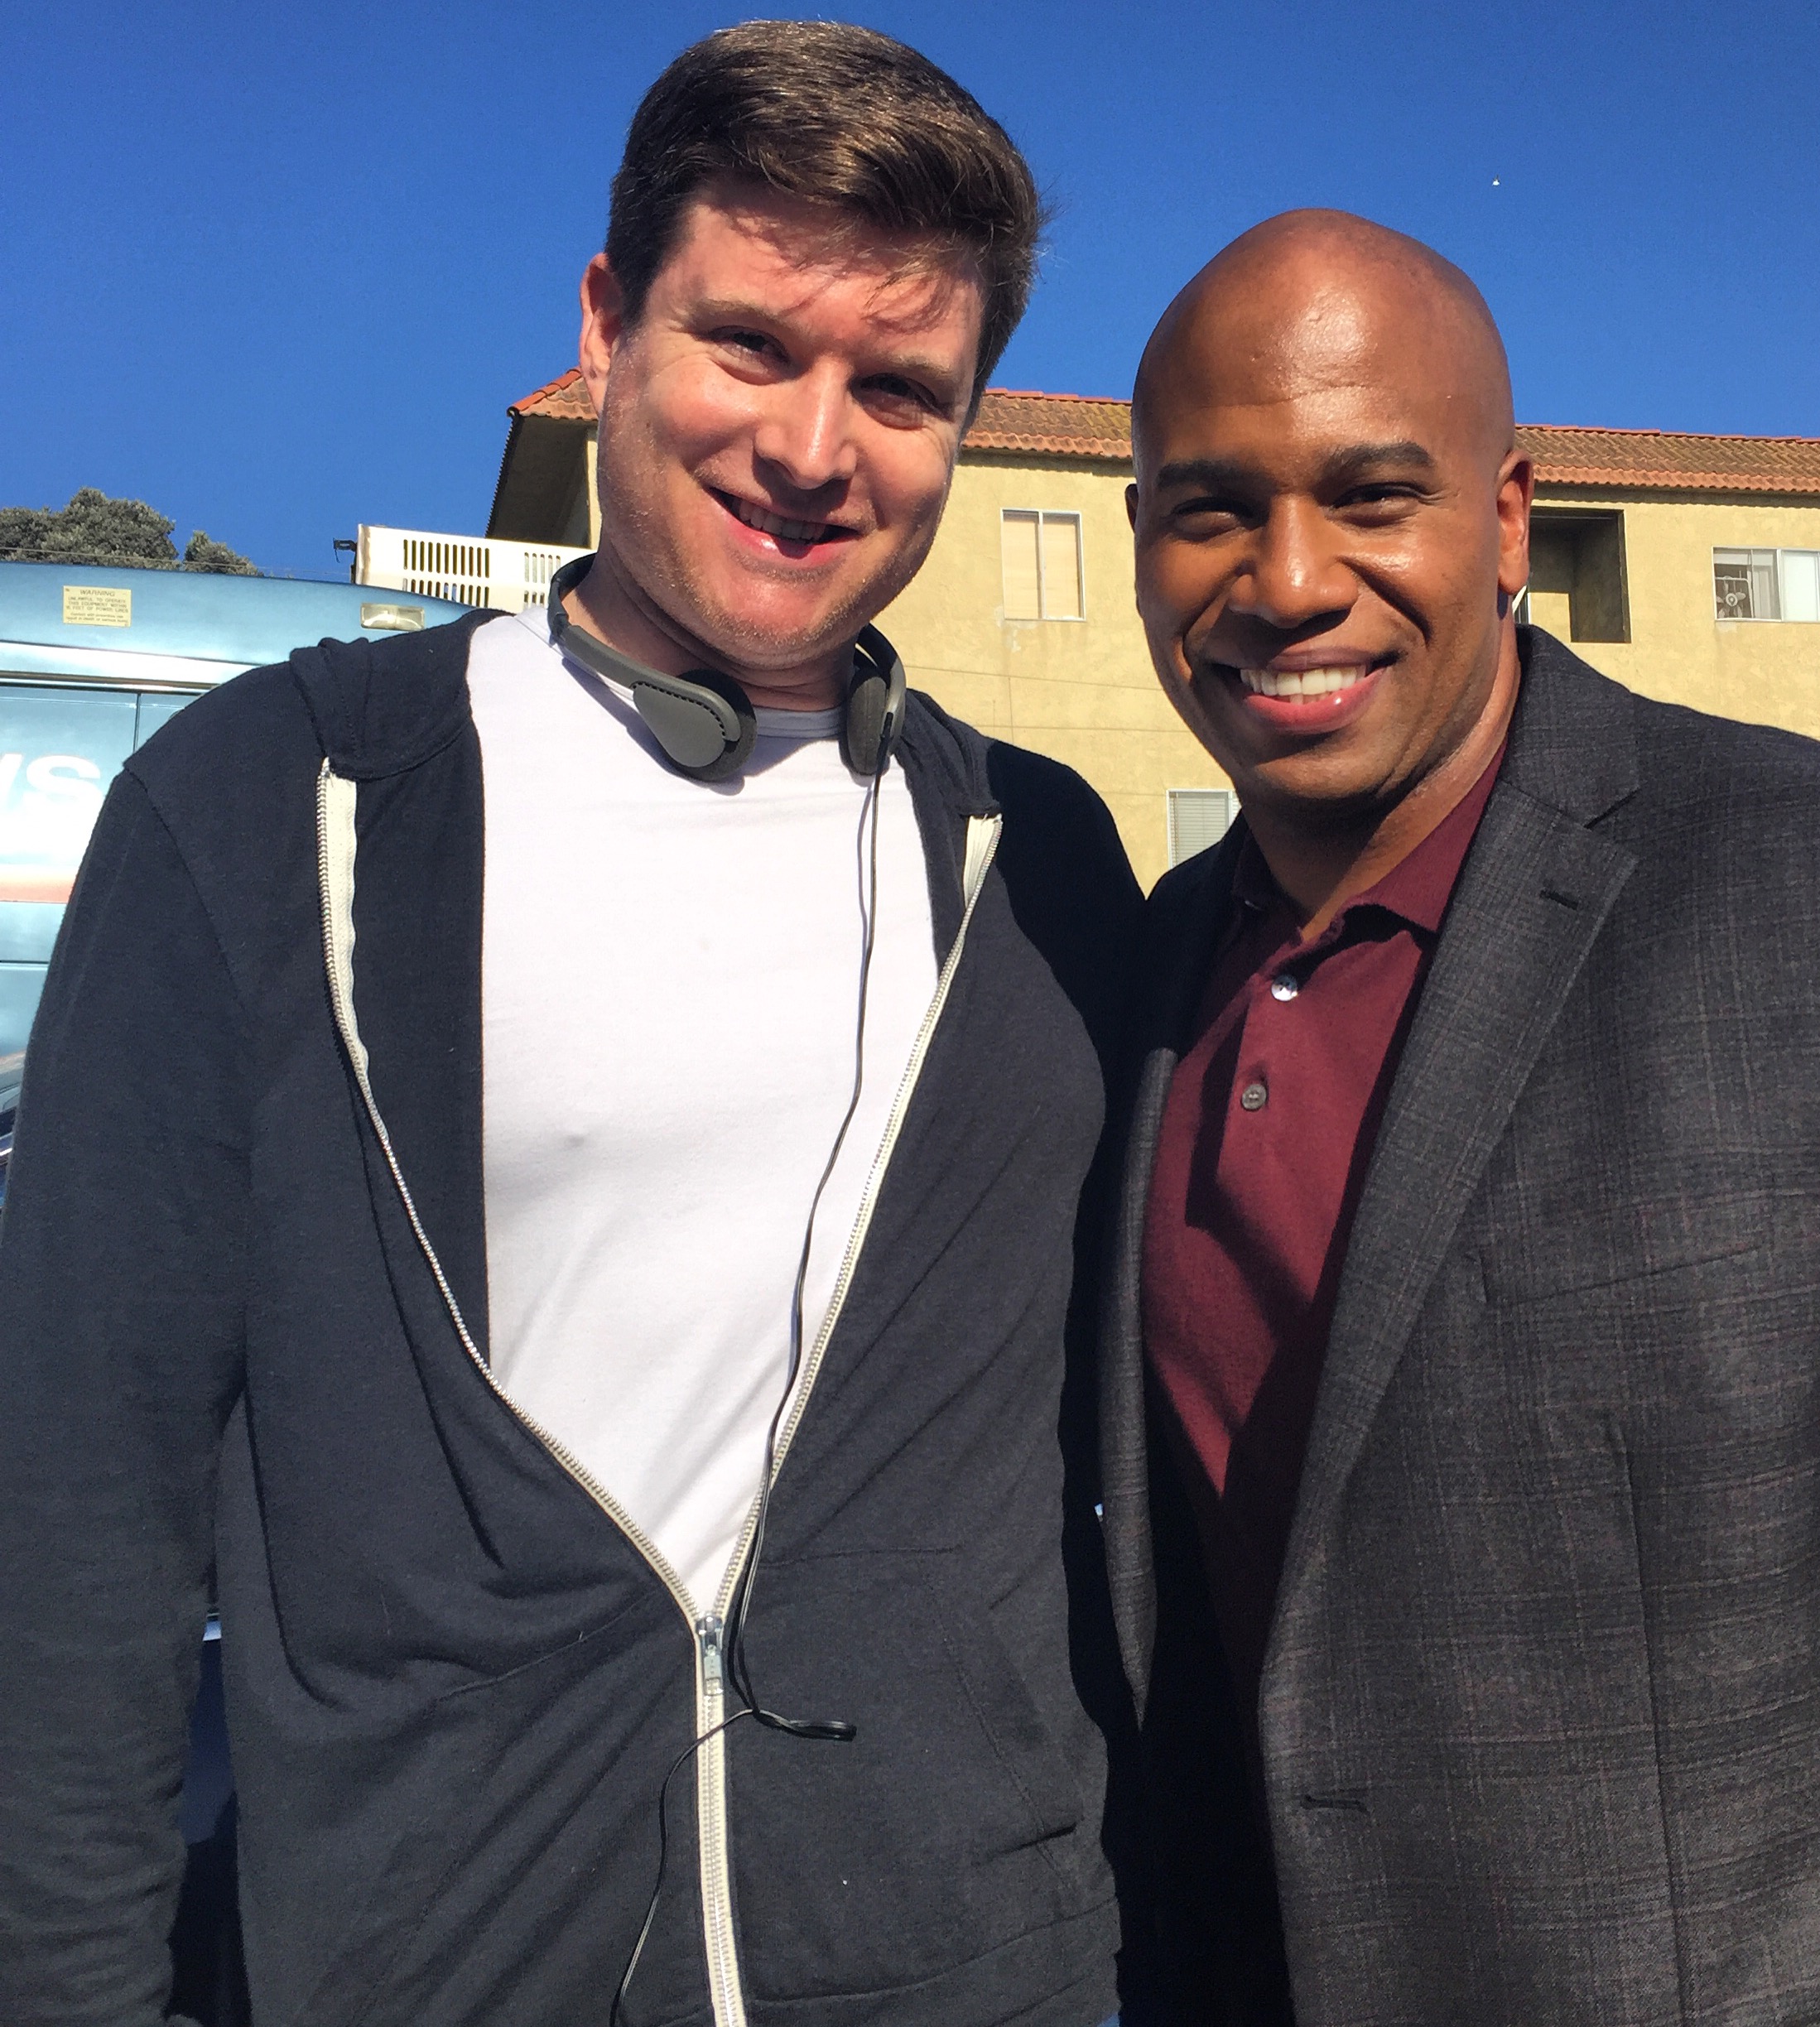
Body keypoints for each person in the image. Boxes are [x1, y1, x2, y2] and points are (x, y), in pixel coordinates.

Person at [0, 25, 1142, 2027]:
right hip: (426, 1967)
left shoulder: (1037, 855)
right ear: (607, 325)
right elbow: (76, 1504)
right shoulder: (276, 804)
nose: (814, 446)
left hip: (969, 1974)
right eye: (748, 345)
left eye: (899, 389)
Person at [1102, 208, 1820, 2025]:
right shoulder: (1129, 981)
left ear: (1509, 517)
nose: (1287, 581)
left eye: (1373, 497)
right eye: (1210, 508)